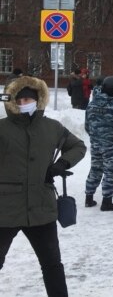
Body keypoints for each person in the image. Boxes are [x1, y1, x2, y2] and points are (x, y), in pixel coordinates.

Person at [0, 76, 86, 296]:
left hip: (41, 209)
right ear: (11, 102)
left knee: (52, 265)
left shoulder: (52, 127)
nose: (23, 104)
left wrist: (62, 164)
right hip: (5, 209)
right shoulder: (2, 128)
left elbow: (78, 146)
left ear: (38, 100)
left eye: (27, 99)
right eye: (19, 100)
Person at [84, 76, 113, 211]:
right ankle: (107, 201)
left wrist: (96, 137)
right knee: (110, 172)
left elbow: (87, 125)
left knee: (95, 168)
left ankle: (89, 197)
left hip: (96, 144)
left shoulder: (92, 104)